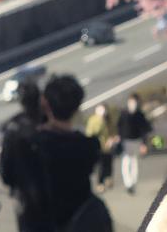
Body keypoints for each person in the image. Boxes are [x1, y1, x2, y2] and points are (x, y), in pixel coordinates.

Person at [12, 75, 107, 232]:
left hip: (41, 224)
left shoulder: (30, 146)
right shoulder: (88, 146)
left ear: (44, 104)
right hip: (80, 222)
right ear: (77, 107)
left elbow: (13, 179)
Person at [0, 81, 43, 228]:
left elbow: (5, 168)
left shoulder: (13, 128)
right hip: (51, 191)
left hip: (24, 194)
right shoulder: (47, 123)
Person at [116, 93, 151, 196]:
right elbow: (119, 128)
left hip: (137, 141)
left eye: (134, 102)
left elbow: (144, 130)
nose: (133, 104)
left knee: (134, 162)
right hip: (126, 141)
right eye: (131, 102)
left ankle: (133, 183)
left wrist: (144, 144)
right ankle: (128, 183)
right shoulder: (123, 113)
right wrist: (119, 139)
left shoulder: (140, 114)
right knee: (126, 161)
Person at [84, 104, 114, 193]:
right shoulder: (94, 120)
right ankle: (100, 184)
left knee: (108, 163)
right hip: (98, 147)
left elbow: (111, 130)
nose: (103, 112)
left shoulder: (107, 119)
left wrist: (112, 139)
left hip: (107, 146)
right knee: (101, 166)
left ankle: (108, 179)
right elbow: (91, 133)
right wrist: (100, 122)